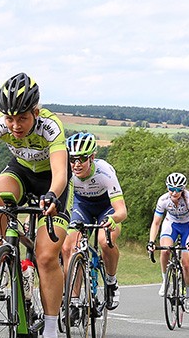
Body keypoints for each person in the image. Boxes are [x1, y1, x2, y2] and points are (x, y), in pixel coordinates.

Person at [0, 73, 70, 338]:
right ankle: (2, 255)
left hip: (52, 181)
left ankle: (51, 327)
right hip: (21, 172)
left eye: (22, 118)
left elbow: (61, 173)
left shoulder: (50, 126)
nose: (15, 126)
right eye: (10, 118)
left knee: (46, 255)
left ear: (36, 112)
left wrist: (52, 195)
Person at [61, 132, 127, 310]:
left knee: (105, 241)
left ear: (92, 157)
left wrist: (113, 219)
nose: (76, 164)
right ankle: (73, 299)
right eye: (72, 159)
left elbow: (122, 211)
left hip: (107, 208)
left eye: (81, 159)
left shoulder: (104, 171)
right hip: (82, 207)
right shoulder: (67, 173)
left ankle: (111, 282)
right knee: (69, 247)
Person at [146, 172, 189, 313]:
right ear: (167, 187)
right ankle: (165, 281)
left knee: (186, 262)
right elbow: (156, 222)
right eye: (171, 188)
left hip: (187, 226)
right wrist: (151, 241)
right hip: (171, 224)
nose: (174, 192)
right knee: (165, 250)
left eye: (178, 189)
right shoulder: (163, 200)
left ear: (183, 189)